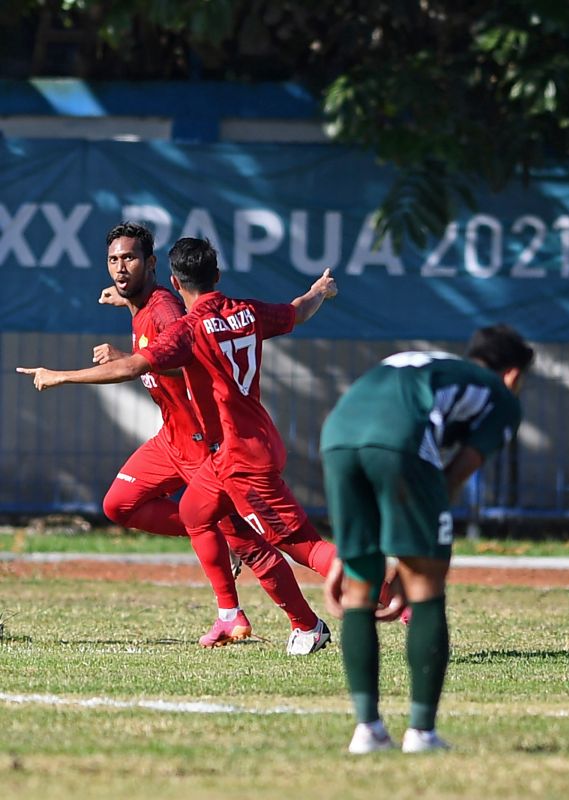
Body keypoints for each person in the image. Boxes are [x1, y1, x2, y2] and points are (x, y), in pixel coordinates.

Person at [18, 237, 342, 655]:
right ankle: (235, 592)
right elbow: (289, 313)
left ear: (154, 266)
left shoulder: (171, 311)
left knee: (258, 542)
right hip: (171, 437)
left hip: (201, 443)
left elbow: (168, 355)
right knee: (121, 504)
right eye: (113, 259)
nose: (120, 267)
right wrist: (126, 309)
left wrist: (65, 375)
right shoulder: (152, 304)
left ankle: (292, 619)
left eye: (130, 258)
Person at [321, 325, 534, 754]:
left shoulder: (431, 364)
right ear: (512, 374)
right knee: (426, 585)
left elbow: (373, 433)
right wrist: (411, 556)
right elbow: (455, 474)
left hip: (336, 436)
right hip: (398, 441)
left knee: (360, 589)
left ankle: (367, 731)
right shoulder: (501, 395)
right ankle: (421, 732)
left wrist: (351, 550)